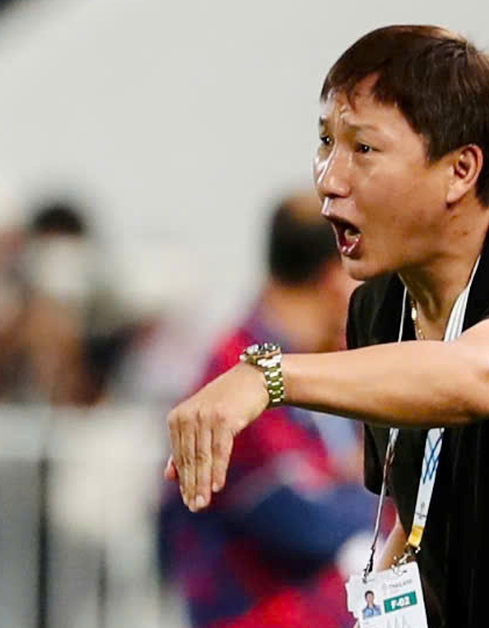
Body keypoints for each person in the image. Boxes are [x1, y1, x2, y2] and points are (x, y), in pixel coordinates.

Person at [164, 25, 489, 628]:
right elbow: (422, 523)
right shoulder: (376, 310)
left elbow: (477, 377)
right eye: (326, 141)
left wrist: (266, 376)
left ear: (461, 170)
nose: (329, 179)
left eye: (364, 149)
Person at [157, 190, 376, 628]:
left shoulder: (330, 360)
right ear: (334, 275)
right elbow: (303, 519)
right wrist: (379, 488)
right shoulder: (238, 371)